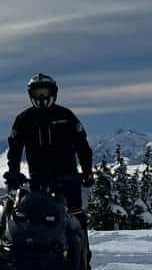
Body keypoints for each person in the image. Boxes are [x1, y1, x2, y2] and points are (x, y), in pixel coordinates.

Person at [5, 73, 94, 224]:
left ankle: (82, 247)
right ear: (30, 95)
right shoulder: (24, 119)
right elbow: (14, 149)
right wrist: (13, 173)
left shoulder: (66, 116)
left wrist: (87, 171)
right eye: (36, 93)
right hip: (38, 178)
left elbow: (82, 145)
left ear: (53, 92)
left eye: (44, 92)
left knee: (76, 218)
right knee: (38, 219)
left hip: (68, 177)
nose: (41, 97)